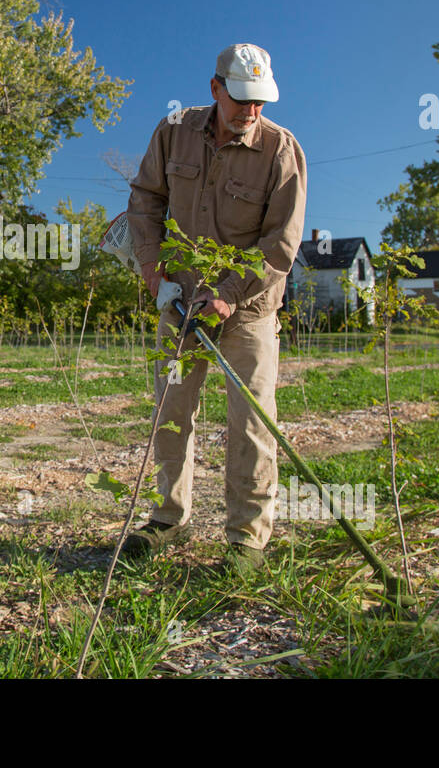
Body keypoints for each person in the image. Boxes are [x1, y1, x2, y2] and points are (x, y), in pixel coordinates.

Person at [122, 43, 307, 573]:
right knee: (171, 411)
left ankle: (246, 538)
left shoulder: (281, 151)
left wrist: (227, 293)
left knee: (251, 421)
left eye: (260, 102)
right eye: (241, 99)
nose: (250, 111)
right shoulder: (174, 130)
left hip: (246, 311)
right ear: (215, 88)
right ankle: (167, 519)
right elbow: (145, 200)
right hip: (178, 303)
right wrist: (154, 268)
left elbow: (281, 244)